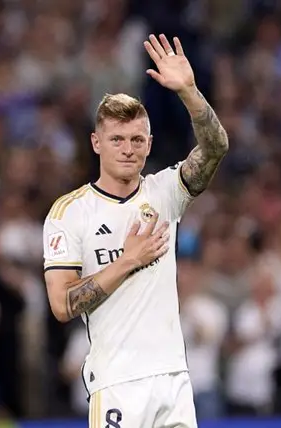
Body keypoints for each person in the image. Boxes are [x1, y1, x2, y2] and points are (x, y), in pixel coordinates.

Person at [42, 34, 229, 428]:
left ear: (149, 144)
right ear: (96, 143)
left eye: (137, 140)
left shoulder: (165, 192)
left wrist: (189, 92)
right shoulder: (70, 212)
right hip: (117, 382)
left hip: (174, 380)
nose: (128, 149)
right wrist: (128, 261)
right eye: (117, 139)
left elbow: (215, 149)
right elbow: (61, 304)